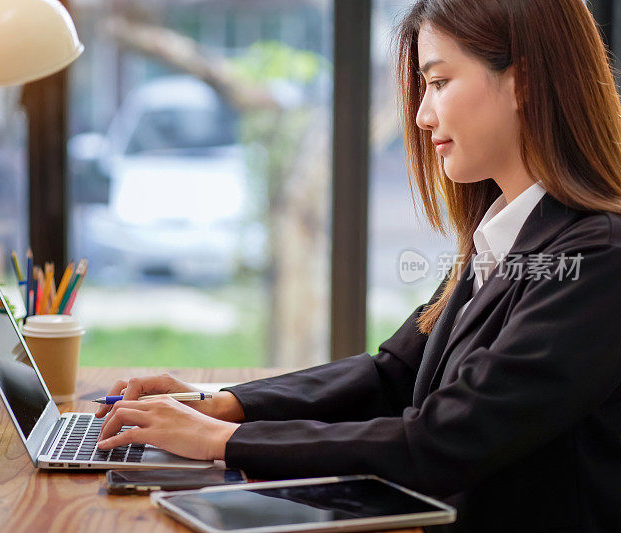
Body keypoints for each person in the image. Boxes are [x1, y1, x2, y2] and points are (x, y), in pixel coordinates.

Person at [96, 0, 621, 530]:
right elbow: (393, 375)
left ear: (522, 81)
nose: (421, 115)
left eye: (438, 82)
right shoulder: (506, 233)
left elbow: (442, 440)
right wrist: (223, 405)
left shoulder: (597, 258)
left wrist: (223, 442)